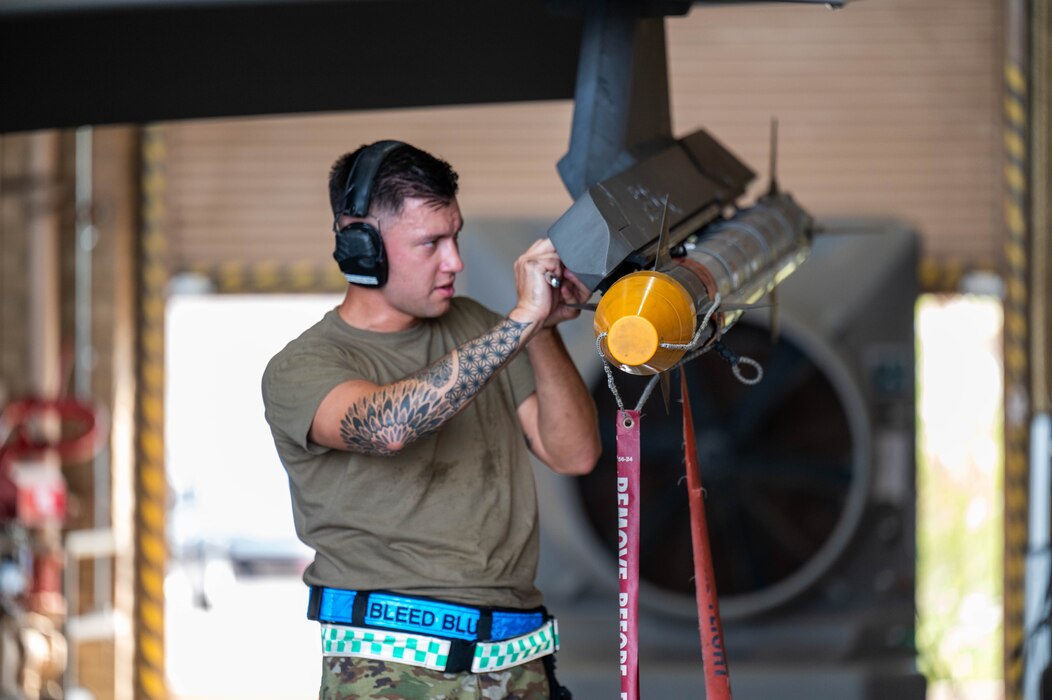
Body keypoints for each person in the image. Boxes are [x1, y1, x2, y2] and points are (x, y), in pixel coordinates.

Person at [262, 140, 601, 699]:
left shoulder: (477, 326)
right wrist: (520, 322)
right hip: (392, 667)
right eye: (431, 244)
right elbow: (387, 425)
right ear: (360, 247)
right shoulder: (303, 368)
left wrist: (544, 330)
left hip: (515, 657)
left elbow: (573, 453)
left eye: (456, 236)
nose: (456, 262)